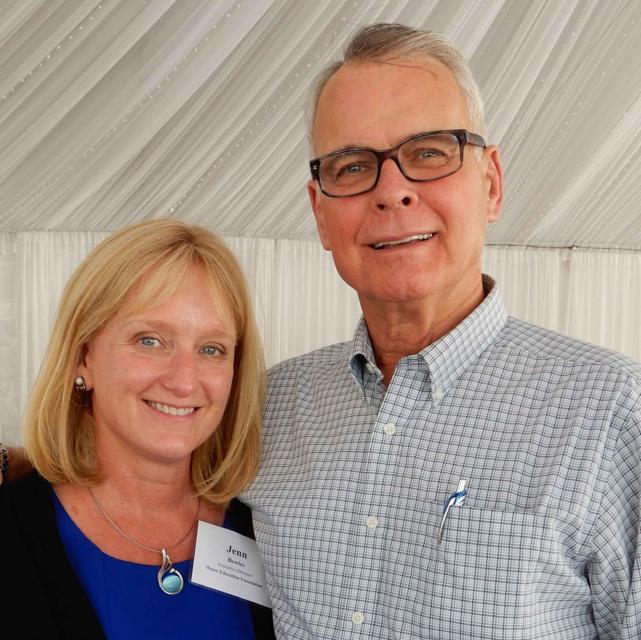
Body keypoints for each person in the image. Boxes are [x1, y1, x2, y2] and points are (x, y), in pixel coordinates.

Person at [241, 23, 641, 639]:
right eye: (351, 166)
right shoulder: (265, 410)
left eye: (429, 152)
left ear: (491, 183)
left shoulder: (610, 408)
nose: (393, 191)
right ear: (320, 214)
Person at [0, 219, 275, 639]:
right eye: (150, 340)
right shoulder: (13, 525)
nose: (184, 381)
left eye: (211, 349)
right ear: (82, 357)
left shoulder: (269, 526)